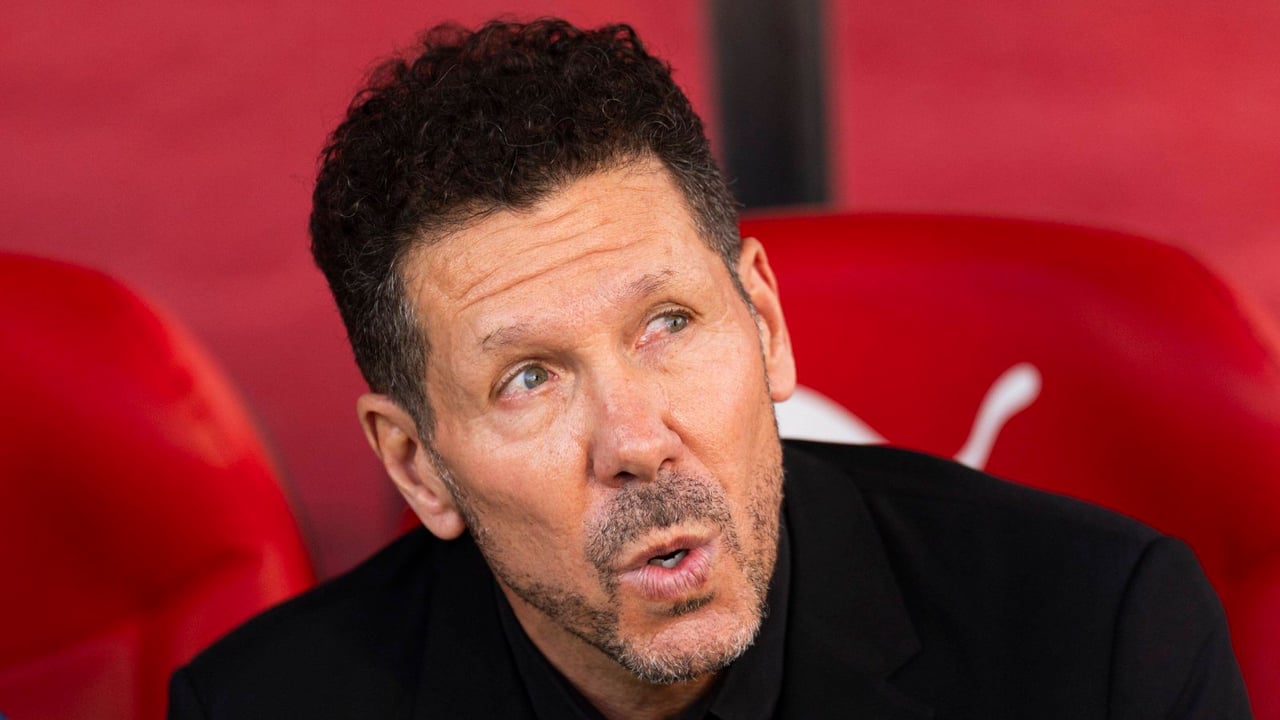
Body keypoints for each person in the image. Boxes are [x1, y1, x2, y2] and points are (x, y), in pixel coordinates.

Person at [167, 18, 1252, 719]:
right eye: (529, 379)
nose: (638, 443)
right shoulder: (263, 706)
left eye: (668, 323)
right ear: (417, 466)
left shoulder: (1102, 644)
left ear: (765, 322)